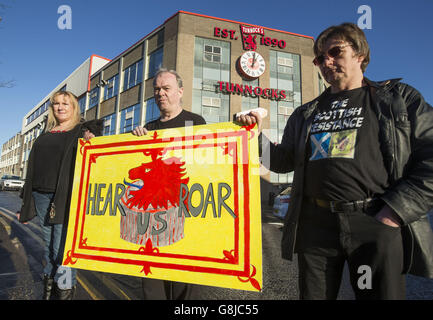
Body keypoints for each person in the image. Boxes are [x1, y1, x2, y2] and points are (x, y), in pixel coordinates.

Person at [237, 22, 433, 299]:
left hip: (374, 221)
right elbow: (283, 162)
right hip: (316, 227)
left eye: (336, 52)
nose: (326, 62)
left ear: (360, 54)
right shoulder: (306, 113)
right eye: (320, 58)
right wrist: (256, 137)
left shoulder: (397, 100)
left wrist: (394, 212)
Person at [17, 90, 103, 300]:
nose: (60, 107)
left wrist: (91, 136)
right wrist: (25, 203)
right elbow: (33, 169)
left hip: (65, 198)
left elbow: (98, 141)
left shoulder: (81, 130)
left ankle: (64, 291)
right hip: (40, 195)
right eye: (56, 103)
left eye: (65, 103)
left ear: (74, 107)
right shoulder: (46, 134)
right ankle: (49, 291)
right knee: (48, 248)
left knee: (61, 250)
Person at [132, 68, 206, 299]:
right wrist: (134, 143)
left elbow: (207, 165)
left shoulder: (195, 122)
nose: (160, 93)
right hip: (154, 220)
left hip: (186, 215)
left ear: (180, 91)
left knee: (184, 283)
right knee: (153, 283)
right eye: (157, 89)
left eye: (166, 88)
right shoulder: (149, 129)